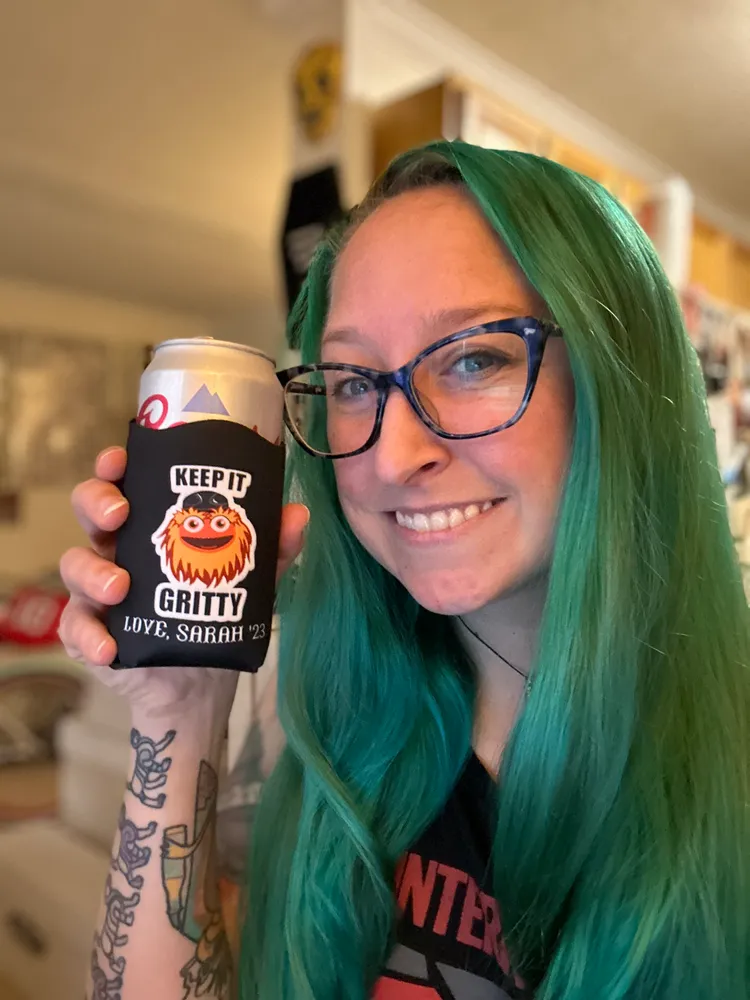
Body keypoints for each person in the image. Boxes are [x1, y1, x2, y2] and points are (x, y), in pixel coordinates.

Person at [59, 141, 749, 1000]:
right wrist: (182, 711)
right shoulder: (310, 714)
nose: (392, 456)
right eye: (353, 382)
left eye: (473, 358)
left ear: (619, 377)